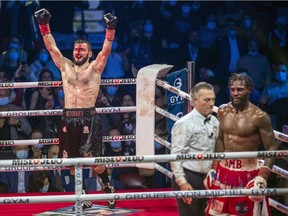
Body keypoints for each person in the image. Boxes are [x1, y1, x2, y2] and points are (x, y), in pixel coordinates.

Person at [34, 8, 117, 209]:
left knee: (95, 162)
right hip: (68, 117)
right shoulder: (65, 66)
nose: (77, 52)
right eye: (75, 49)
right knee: (71, 163)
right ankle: (84, 194)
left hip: (88, 117)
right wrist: (44, 25)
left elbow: (106, 49)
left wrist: (110, 29)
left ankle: (107, 187)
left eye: (82, 49)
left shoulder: (96, 67)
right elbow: (52, 48)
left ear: (89, 53)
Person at [205, 74, 278, 216]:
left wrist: (262, 176)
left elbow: (271, 147)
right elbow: (220, 139)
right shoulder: (223, 111)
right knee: (216, 213)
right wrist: (214, 168)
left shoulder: (259, 116)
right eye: (232, 89)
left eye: (240, 89)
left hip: (248, 172)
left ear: (249, 90)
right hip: (223, 171)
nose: (235, 93)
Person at [170, 82, 219, 216]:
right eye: (207, 100)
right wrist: (182, 183)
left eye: (213, 99)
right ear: (194, 101)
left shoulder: (215, 122)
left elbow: (218, 150)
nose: (211, 104)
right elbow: (176, 155)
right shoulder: (184, 124)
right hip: (189, 175)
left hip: (209, 176)